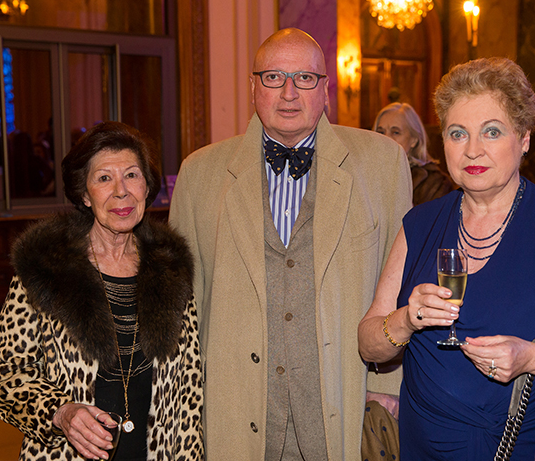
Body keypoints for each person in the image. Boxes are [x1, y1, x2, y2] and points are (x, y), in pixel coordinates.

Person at [358, 57, 535, 460]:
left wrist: (531, 358)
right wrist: (406, 319)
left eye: (492, 131)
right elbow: (368, 345)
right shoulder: (419, 224)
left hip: (522, 447)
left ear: (524, 139)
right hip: (423, 446)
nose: (473, 150)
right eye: (458, 134)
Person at [169, 28, 412, 460]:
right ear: (252, 87)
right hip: (236, 406)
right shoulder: (199, 174)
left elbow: (400, 285)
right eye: (273, 77)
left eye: (304, 78)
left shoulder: (383, 163)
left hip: (344, 401)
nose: (288, 93)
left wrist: (387, 383)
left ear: (325, 89)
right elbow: (184, 308)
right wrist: (190, 403)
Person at [0, 121, 203, 460]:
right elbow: (4, 376)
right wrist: (61, 413)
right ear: (85, 195)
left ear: (147, 187)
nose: (121, 191)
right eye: (104, 178)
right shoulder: (46, 269)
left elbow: (190, 392)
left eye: (132, 175)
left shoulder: (171, 269)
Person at [374, 102, 456, 205]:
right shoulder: (365, 175)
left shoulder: (435, 183)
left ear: (414, 140)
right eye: (381, 132)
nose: (386, 138)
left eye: (395, 132)